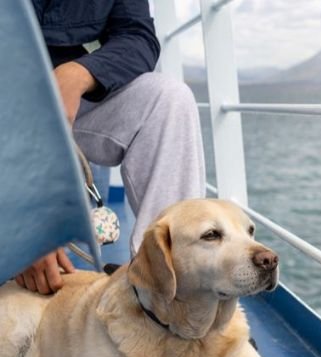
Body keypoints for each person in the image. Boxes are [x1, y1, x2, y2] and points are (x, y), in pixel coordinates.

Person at [15, 0, 206, 295]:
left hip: (64, 103)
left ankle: (171, 291)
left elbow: (137, 35)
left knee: (168, 99)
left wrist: (78, 74)